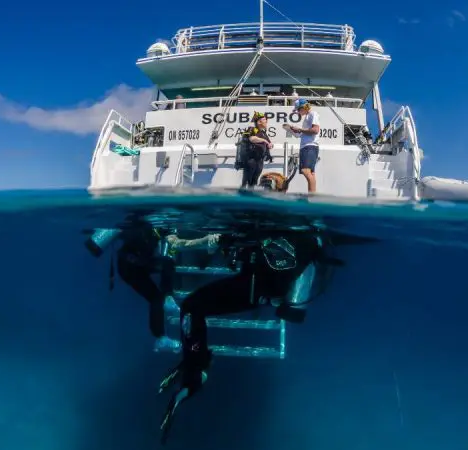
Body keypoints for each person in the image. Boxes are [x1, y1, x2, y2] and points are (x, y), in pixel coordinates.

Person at [157, 229, 337, 444]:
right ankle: (195, 361)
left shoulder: (260, 234)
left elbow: (213, 240)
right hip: (257, 292)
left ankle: (196, 369)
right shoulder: (300, 241)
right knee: (193, 308)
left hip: (250, 288)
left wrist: (179, 242)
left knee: (191, 308)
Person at [84, 216, 220, 351]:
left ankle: (167, 304)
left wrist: (204, 241)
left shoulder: (163, 227)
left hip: (142, 263)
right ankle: (161, 334)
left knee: (166, 269)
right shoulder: (137, 224)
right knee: (155, 296)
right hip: (128, 269)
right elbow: (97, 244)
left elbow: (176, 243)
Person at [283, 98, 320, 193]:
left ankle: (312, 196)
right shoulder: (308, 117)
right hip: (308, 146)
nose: (298, 112)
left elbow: (315, 130)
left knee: (305, 171)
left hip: (309, 146)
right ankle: (312, 195)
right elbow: (304, 133)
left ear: (305, 107)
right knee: (311, 172)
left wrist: (299, 129)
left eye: (299, 110)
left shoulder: (312, 114)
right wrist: (293, 130)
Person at [240, 111, 274, 189]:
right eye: (264, 120)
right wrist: (264, 141)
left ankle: (251, 197)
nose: (266, 121)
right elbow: (252, 139)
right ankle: (242, 197)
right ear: (259, 122)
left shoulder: (263, 133)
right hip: (251, 160)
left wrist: (270, 145)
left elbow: (269, 143)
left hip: (259, 161)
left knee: (254, 181)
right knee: (246, 181)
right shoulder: (252, 129)